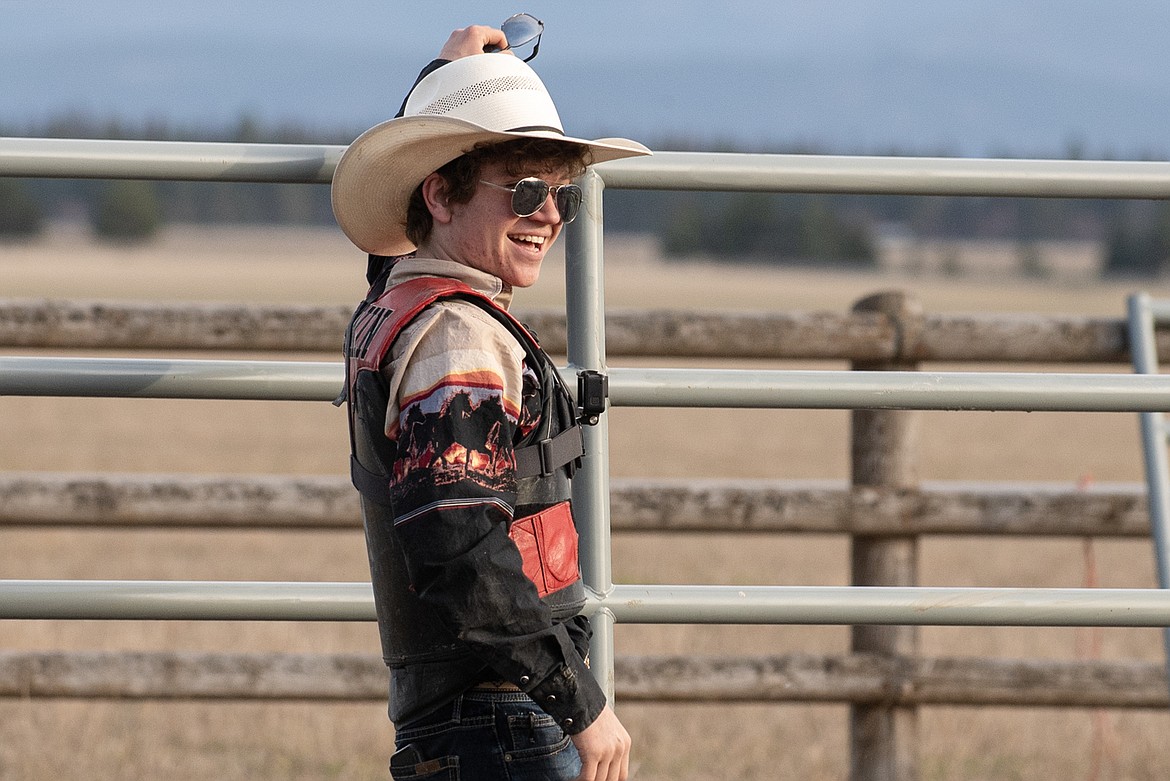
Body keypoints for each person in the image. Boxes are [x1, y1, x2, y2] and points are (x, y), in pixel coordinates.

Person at [331, 24, 650, 781]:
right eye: (526, 190)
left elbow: (397, 254)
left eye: (562, 196)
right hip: (503, 714)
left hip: (462, 716)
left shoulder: (404, 304)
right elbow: (460, 541)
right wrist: (584, 707)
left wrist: (440, 78)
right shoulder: (457, 339)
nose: (549, 216)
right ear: (440, 194)